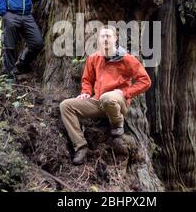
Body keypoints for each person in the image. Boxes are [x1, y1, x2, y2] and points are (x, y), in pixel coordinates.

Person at [59, 25, 152, 165]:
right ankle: (80, 146)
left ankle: (117, 124)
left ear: (115, 38)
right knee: (66, 105)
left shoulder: (127, 59)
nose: (106, 39)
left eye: (109, 36)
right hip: (97, 102)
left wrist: (125, 92)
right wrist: (85, 93)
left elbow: (145, 81)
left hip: (117, 102)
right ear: (99, 39)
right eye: (103, 36)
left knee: (107, 98)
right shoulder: (93, 58)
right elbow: (87, 80)